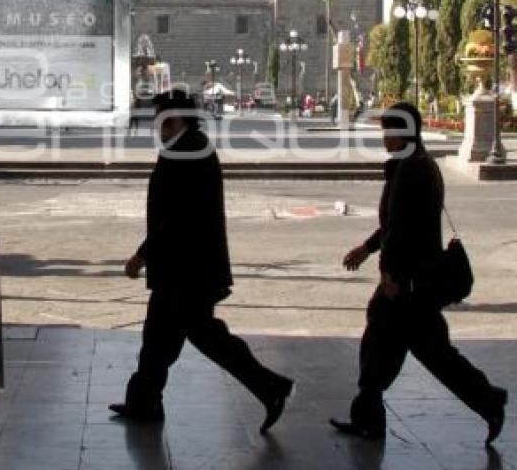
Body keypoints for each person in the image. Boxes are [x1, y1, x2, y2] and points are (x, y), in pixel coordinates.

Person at [109, 89, 294, 430]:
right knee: (167, 339)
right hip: (186, 269)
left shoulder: (189, 151)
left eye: (161, 118)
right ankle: (144, 402)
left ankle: (270, 387)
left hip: (186, 270)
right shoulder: (189, 146)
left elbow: (177, 216)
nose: (156, 126)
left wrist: (142, 254)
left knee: (193, 337)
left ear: (177, 118)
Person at [331, 101, 507, 445]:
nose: (384, 137)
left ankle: (489, 400)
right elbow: (393, 225)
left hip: (410, 282)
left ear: (404, 133)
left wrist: (390, 276)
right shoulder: (414, 165)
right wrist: (367, 249)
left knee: (425, 352)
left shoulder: (413, 170)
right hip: (411, 279)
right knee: (390, 344)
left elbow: (400, 229)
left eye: (389, 130)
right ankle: (369, 416)